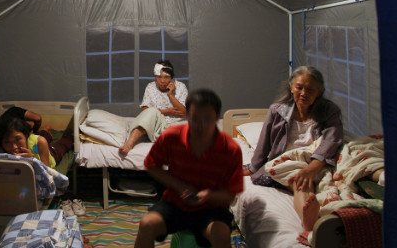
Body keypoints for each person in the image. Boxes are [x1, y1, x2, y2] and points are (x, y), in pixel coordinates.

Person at [135, 89, 243, 248]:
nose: (200, 126)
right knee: (146, 224)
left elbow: (232, 192)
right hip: (176, 204)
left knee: (221, 234)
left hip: (211, 209)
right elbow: (151, 165)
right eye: (195, 119)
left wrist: (209, 195)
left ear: (217, 117)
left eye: (207, 120)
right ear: (187, 117)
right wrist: (178, 186)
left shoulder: (230, 148)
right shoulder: (171, 136)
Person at [244, 65, 343, 231]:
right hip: (287, 161)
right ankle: (310, 225)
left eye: (310, 89)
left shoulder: (329, 111)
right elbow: (264, 144)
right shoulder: (277, 110)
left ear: (319, 92)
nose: (304, 93)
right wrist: (253, 167)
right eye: (299, 87)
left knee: (353, 152)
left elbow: (332, 139)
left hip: (317, 161)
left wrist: (312, 167)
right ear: (291, 88)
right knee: (300, 181)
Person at [118, 60, 188, 155]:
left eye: (166, 77)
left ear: (171, 78)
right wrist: (165, 111)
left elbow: (183, 112)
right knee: (151, 111)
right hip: (156, 127)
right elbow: (144, 111)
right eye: (159, 77)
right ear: (155, 77)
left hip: (174, 128)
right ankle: (129, 144)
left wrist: (171, 95)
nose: (162, 81)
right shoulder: (150, 87)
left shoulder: (181, 87)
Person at [0, 117, 73, 169]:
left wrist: (32, 160)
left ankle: (69, 135)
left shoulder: (39, 141)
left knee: (65, 143)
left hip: (51, 154)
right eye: (7, 142)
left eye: (18, 139)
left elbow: (46, 172)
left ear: (26, 136)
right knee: (42, 136)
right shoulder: (0, 151)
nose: (14, 147)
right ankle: (46, 130)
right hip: (35, 142)